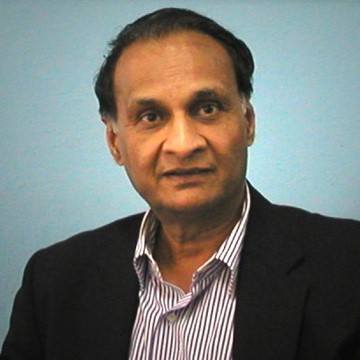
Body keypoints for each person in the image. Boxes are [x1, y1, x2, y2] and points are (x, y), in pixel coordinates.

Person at [1, 7, 360, 360]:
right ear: (114, 143)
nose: (184, 143)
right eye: (151, 116)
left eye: (207, 108)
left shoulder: (348, 266)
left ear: (248, 122)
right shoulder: (54, 281)